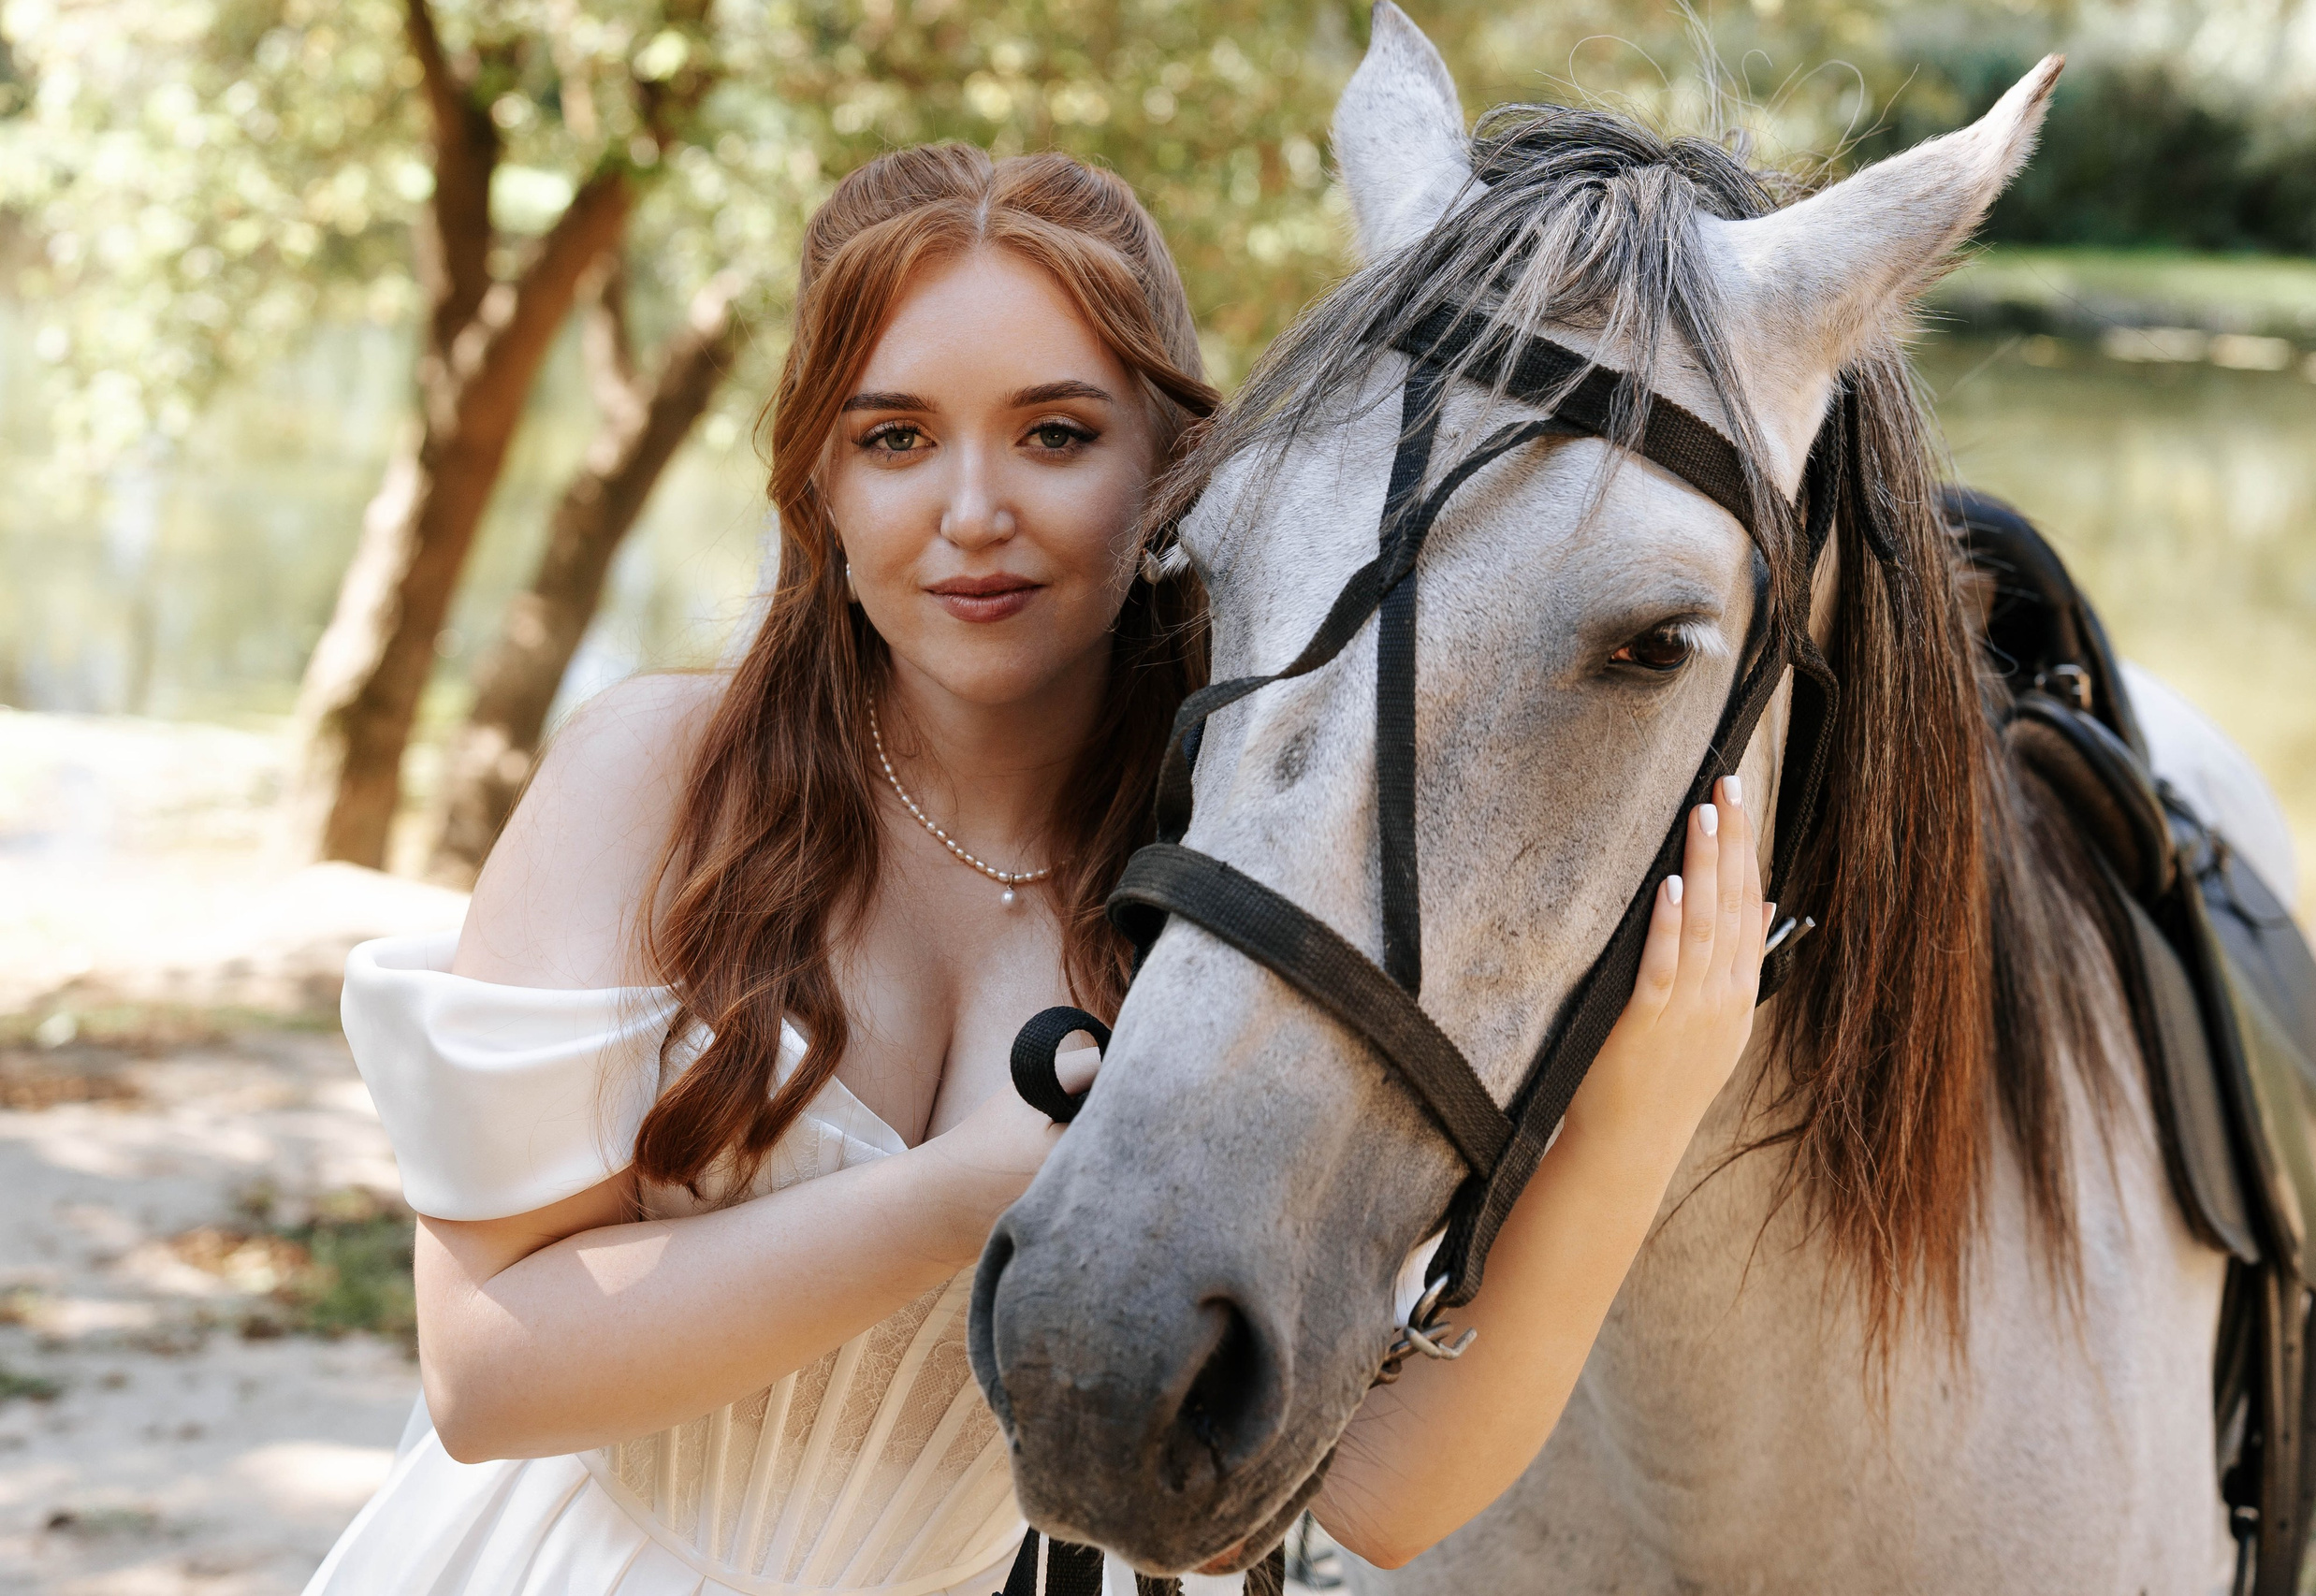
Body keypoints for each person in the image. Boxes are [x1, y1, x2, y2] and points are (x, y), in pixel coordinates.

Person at [306, 140, 1769, 1596]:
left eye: (1056, 434)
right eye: (895, 439)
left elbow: (1376, 1493)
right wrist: (963, 1198)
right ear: (817, 482)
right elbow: (485, 1369)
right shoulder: (656, 778)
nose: (971, 513)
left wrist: (1639, 1115)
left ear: (1174, 465)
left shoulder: (1239, 878)